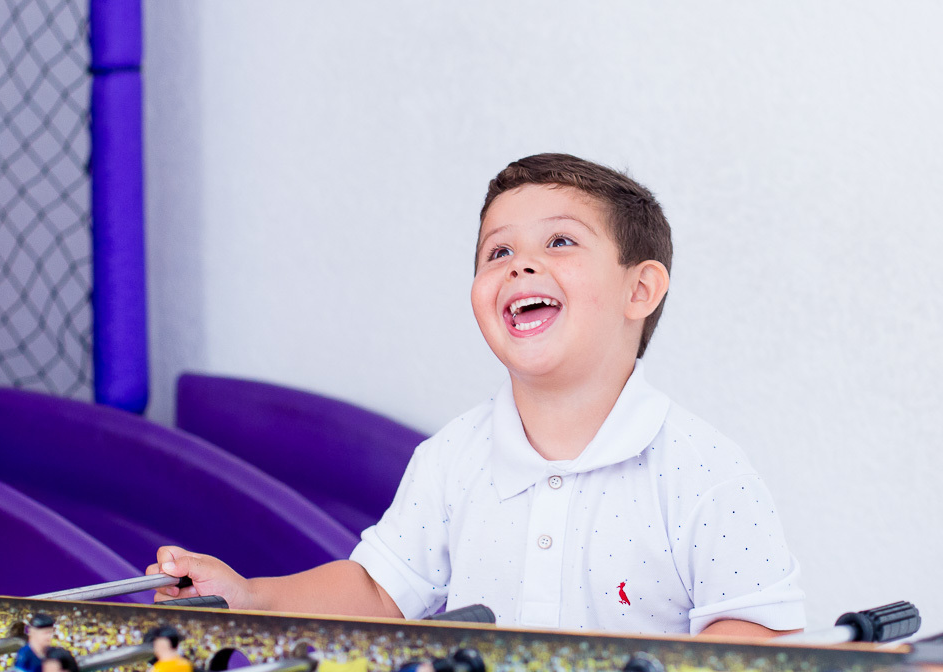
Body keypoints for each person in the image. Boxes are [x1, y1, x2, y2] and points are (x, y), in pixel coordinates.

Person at [146, 153, 805, 638]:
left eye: (560, 241)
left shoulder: (704, 473)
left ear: (640, 290)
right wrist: (250, 595)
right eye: (497, 252)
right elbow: (378, 593)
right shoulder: (451, 460)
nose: (520, 263)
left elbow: (754, 642)